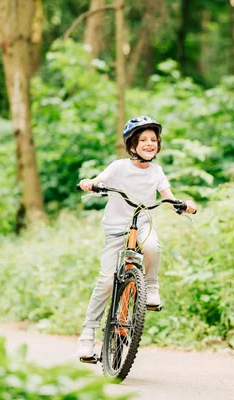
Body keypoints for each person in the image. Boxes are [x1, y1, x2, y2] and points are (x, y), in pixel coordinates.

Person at [76, 116, 197, 359]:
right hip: (115, 228)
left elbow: (167, 194)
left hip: (142, 222)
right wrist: (90, 184)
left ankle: (151, 286)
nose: (150, 143)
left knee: (152, 245)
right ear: (133, 146)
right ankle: (88, 333)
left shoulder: (157, 171)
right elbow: (99, 180)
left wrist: (184, 204)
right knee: (107, 282)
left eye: (153, 140)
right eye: (144, 140)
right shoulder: (119, 167)